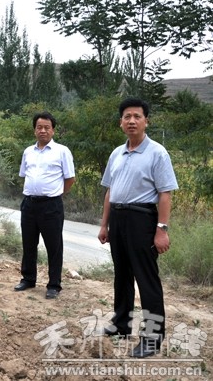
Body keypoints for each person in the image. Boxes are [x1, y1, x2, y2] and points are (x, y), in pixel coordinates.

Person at [98, 97, 178, 358]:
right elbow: (110, 191)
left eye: (137, 116)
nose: (132, 121)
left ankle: (152, 339)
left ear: (146, 121)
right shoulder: (116, 153)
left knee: (146, 279)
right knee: (121, 275)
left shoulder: (157, 153)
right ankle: (121, 324)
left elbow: (165, 193)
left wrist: (161, 229)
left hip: (142, 219)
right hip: (118, 219)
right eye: (127, 117)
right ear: (120, 122)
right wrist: (105, 224)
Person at [15, 112, 76, 299]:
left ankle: (54, 284)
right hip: (29, 203)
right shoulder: (28, 152)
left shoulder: (62, 151)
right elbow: (24, 175)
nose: (43, 130)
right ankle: (28, 278)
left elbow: (70, 179)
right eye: (39, 127)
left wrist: (56, 194)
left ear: (53, 130)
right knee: (28, 243)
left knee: (54, 246)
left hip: (51, 205)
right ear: (35, 130)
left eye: (46, 127)